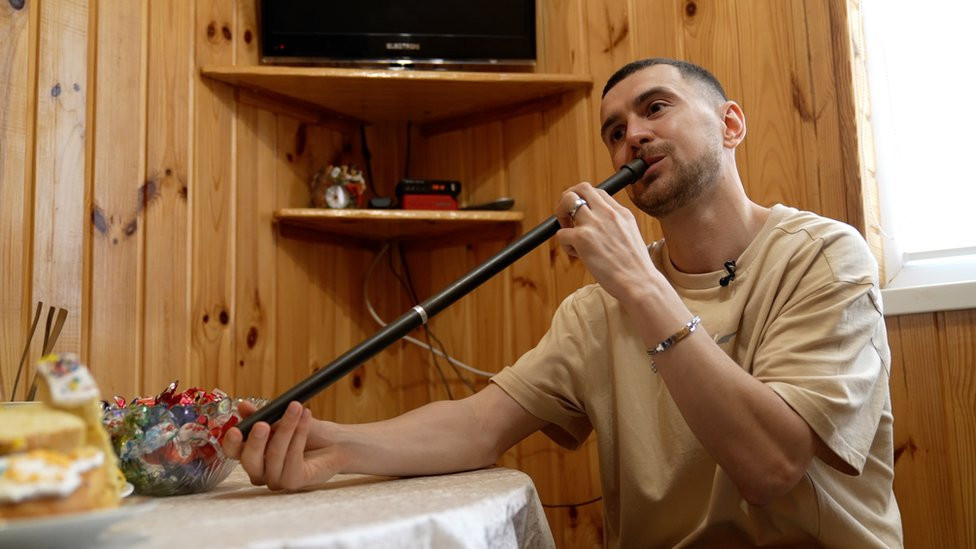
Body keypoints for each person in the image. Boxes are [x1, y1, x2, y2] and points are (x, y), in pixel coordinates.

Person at [223, 58, 903, 547]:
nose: (631, 135)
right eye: (614, 130)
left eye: (655, 108)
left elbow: (772, 466)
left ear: (730, 124)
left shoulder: (823, 257)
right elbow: (478, 424)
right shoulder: (595, 309)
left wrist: (639, 282)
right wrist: (334, 447)